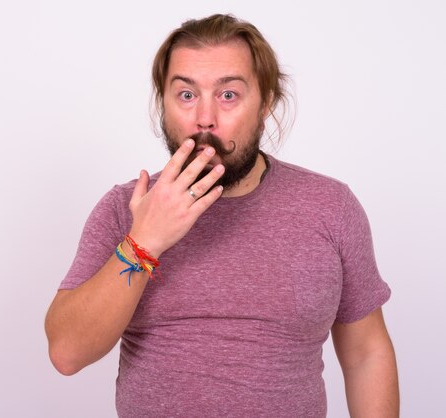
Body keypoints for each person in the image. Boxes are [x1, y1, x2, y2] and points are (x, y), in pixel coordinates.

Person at [45, 14, 399, 417]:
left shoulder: (330, 207)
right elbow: (67, 353)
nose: (205, 118)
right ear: (164, 103)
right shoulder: (125, 209)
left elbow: (366, 354)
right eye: (186, 95)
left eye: (228, 94)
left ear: (265, 101)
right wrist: (144, 241)